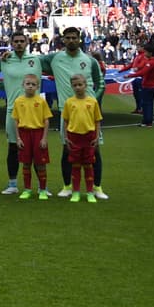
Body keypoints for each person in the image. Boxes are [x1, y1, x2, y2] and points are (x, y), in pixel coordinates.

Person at [41, 27, 107, 199]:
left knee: (95, 149)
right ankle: (67, 186)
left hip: (88, 113)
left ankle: (97, 188)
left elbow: (101, 83)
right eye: (68, 38)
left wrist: (92, 102)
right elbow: (30, 61)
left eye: (74, 37)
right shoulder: (54, 58)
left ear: (80, 39)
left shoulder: (89, 60)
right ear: (63, 40)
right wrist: (9, 56)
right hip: (67, 113)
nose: (71, 40)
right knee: (67, 149)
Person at [0, 30, 43, 193]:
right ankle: (12, 184)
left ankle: (41, 186)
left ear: (26, 43)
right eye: (15, 41)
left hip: (34, 110)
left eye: (21, 41)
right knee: (13, 147)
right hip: (13, 110)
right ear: (11, 43)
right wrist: (1, 87)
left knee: (36, 149)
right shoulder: (5, 60)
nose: (18, 43)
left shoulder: (36, 60)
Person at [62, 73, 103, 202]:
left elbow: (97, 121)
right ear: (71, 87)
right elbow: (66, 121)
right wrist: (66, 137)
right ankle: (76, 192)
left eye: (80, 85)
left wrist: (97, 137)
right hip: (74, 137)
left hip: (89, 136)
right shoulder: (69, 102)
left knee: (88, 164)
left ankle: (90, 192)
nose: (78, 87)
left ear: (86, 85)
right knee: (75, 165)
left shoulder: (92, 101)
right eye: (75, 85)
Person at [12, 73, 52, 200]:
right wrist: (18, 138)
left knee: (41, 164)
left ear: (37, 87)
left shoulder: (41, 101)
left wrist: (44, 138)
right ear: (23, 85)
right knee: (26, 163)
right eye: (28, 84)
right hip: (24, 134)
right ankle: (27, 189)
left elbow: (46, 120)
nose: (30, 86)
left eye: (33, 84)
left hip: (38, 133)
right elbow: (16, 121)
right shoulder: (18, 101)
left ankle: (43, 189)